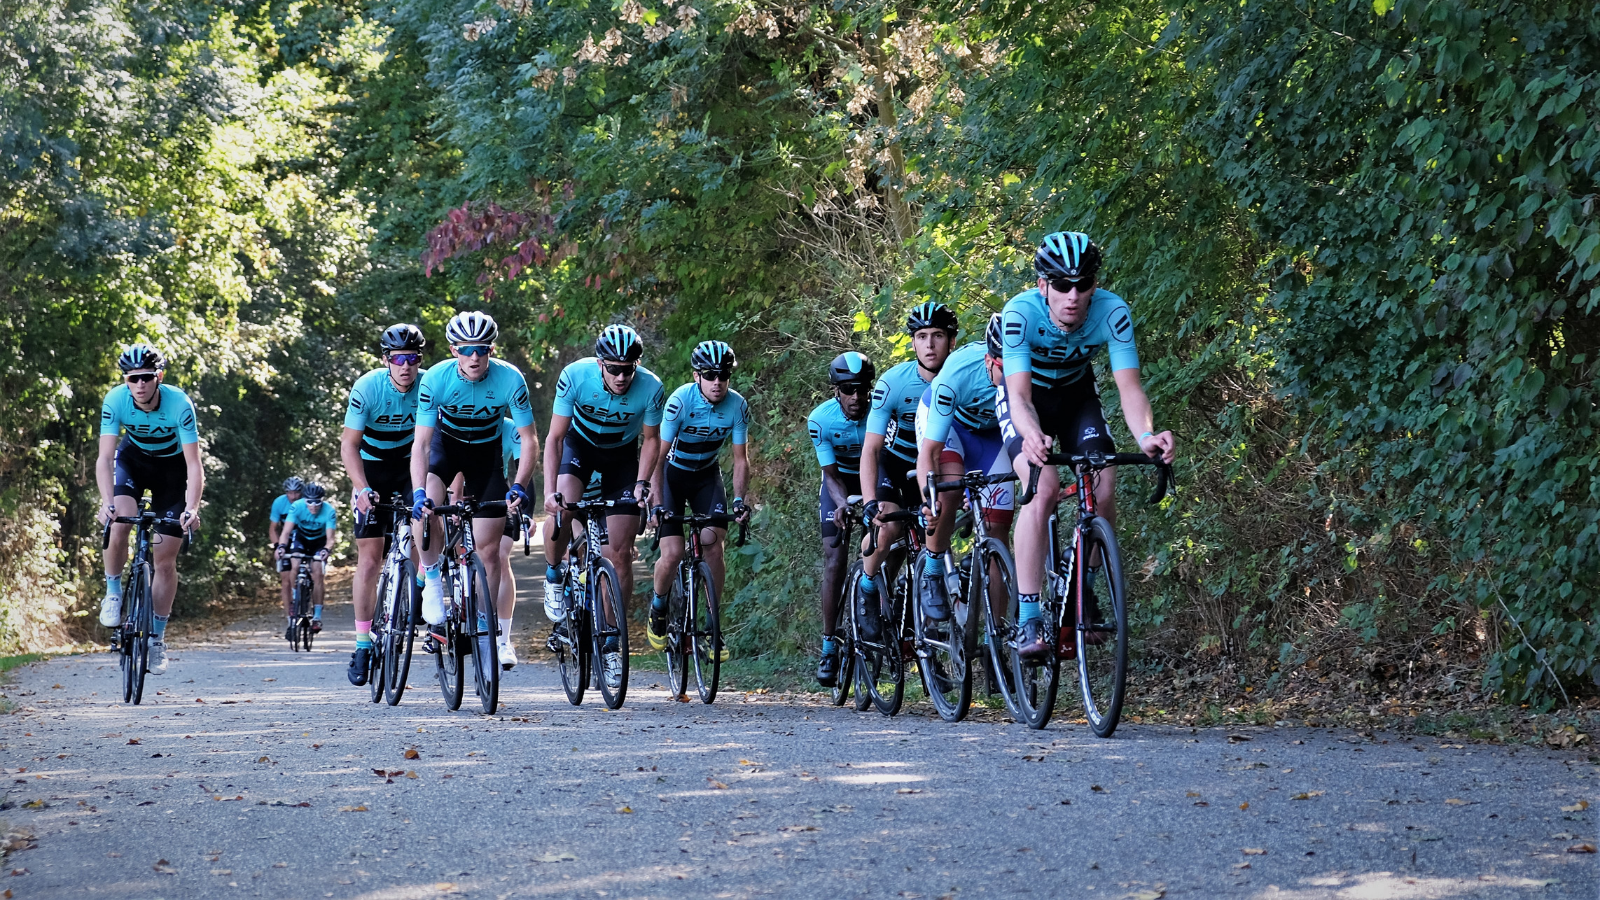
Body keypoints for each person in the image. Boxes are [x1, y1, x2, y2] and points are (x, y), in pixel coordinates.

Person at [1000, 231, 1175, 660]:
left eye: (1083, 285)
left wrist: (1149, 437)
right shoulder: (1019, 314)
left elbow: (1129, 388)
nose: (1073, 296)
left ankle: (1086, 590)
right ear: (1043, 285)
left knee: (1104, 481)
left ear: (1095, 285)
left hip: (1077, 397)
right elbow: (1018, 395)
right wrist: (1031, 435)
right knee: (1041, 491)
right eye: (1061, 285)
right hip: (1028, 402)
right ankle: (1027, 618)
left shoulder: (1112, 311)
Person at [410, 311, 537, 669]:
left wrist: (519, 486)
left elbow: (529, 440)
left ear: (491, 348)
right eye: (467, 349)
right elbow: (420, 444)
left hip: (486, 457)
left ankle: (487, 628)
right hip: (444, 451)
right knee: (426, 510)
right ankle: (432, 580)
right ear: (454, 350)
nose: (475, 356)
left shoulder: (510, 377)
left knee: (490, 552)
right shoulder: (435, 379)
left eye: (481, 348)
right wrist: (419, 491)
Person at [541, 324, 664, 691]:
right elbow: (555, 438)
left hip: (621, 458)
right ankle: (552, 574)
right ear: (599, 364)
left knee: (621, 554)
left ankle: (612, 642)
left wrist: (643, 484)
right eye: (614, 369)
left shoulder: (651, 386)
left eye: (629, 368)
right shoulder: (575, 377)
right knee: (563, 509)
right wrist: (549, 492)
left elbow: (652, 440)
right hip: (579, 449)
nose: (622, 376)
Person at [96, 344, 204, 676]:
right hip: (134, 462)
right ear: (126, 381)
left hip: (172, 471)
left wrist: (192, 508)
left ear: (158, 377)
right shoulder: (115, 400)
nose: (139, 385)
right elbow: (104, 458)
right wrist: (106, 502)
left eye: (145, 377)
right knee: (120, 523)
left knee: (165, 560)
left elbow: (194, 464)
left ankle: (156, 639)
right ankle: (113, 593)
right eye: (132, 379)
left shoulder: (179, 404)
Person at [857, 302, 957, 641]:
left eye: (938, 336)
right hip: (896, 465)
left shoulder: (962, 375)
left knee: (942, 520)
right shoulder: (894, 383)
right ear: (912, 342)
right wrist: (871, 501)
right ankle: (867, 587)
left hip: (939, 465)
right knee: (888, 527)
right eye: (922, 336)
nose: (930, 345)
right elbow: (871, 448)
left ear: (951, 341)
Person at [646, 340, 751, 657]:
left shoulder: (737, 406)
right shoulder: (680, 401)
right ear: (697, 376)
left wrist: (739, 501)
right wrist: (656, 502)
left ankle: (711, 626)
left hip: (707, 476)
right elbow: (657, 458)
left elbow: (741, 459)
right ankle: (659, 606)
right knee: (673, 551)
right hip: (672, 476)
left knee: (713, 544)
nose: (717, 382)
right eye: (710, 375)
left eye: (723, 375)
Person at [915, 315, 1015, 629]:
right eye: (1003, 369)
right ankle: (932, 570)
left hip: (990, 436)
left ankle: (997, 638)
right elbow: (929, 452)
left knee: (998, 530)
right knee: (950, 488)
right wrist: (929, 500)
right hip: (946, 426)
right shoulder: (958, 372)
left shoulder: (1028, 370)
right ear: (989, 361)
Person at [339, 324, 425, 686]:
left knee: (426, 523)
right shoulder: (368, 387)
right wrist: (361, 489)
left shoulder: (429, 385)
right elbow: (349, 445)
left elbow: (437, 445)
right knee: (371, 558)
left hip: (410, 467)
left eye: (412, 359)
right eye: (398, 359)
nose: (405, 366)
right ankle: (361, 644)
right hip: (372, 470)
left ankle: (420, 588)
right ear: (386, 360)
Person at [807, 350, 874, 687]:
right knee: (835, 558)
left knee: (889, 543)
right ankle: (829, 645)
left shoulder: (882, 411)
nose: (856, 397)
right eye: (848, 389)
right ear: (836, 390)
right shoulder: (820, 419)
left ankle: (873, 596)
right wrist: (842, 504)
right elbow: (830, 475)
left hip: (876, 478)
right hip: (840, 483)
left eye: (862, 388)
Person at [494, 414, 540, 669]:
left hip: (494, 493)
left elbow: (525, 470)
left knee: (500, 556)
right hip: (454, 492)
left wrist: (527, 513)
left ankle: (504, 639)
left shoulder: (509, 427)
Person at [276, 482, 338, 634]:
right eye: (309, 501)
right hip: (301, 539)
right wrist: (282, 546)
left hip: (319, 542)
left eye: (317, 501)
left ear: (322, 501)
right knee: (295, 564)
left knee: (317, 573)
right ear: (305, 501)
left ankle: (317, 617)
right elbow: (285, 533)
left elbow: (330, 539)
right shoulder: (297, 507)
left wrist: (326, 550)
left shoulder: (329, 511)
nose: (313, 505)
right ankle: (295, 599)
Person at [267, 477, 304, 618]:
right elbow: (273, 529)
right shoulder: (279, 503)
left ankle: (306, 598)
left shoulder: (307, 502)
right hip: (286, 539)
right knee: (286, 579)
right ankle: (290, 616)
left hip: (304, 538)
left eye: (296, 493)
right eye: (290, 493)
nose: (293, 496)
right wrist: (277, 547)